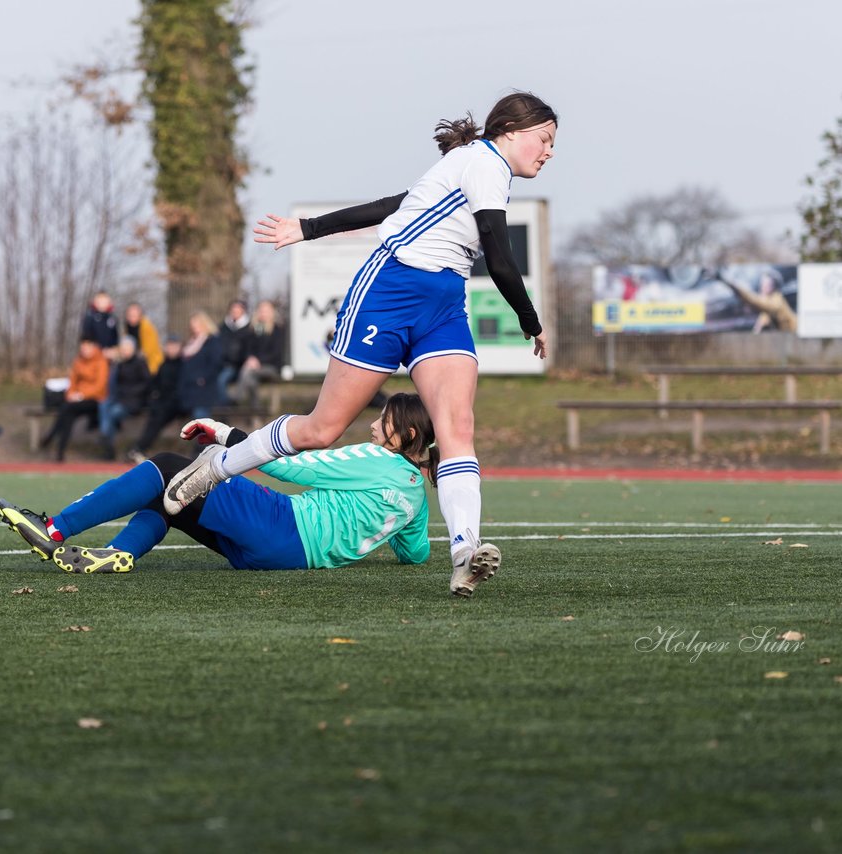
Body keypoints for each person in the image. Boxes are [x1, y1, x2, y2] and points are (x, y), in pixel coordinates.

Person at [163, 90, 555, 596]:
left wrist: (308, 227)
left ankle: (464, 552)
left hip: (442, 304)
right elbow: (499, 257)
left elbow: (394, 204)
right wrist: (530, 320)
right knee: (320, 430)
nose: (548, 152)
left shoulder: (474, 166)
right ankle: (215, 468)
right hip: (389, 291)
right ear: (510, 131)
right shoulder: (484, 163)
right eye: (543, 139)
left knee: (457, 426)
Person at [0, 392, 435, 574]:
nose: (376, 427)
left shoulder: (376, 458)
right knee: (178, 497)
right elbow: (416, 554)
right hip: (283, 558)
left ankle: (54, 529)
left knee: (168, 466)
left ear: (407, 436)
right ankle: (120, 555)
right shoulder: (415, 495)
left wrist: (224, 434)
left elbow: (289, 465)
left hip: (284, 525)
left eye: (385, 421)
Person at [39, 339, 109, 462]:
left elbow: (100, 387)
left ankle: (51, 436)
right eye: (82, 348)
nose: (84, 350)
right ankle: (60, 454)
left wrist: (81, 395)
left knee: (66, 408)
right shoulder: (78, 361)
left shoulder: (101, 361)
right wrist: (71, 394)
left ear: (93, 347)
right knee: (68, 413)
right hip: (76, 401)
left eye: (87, 347)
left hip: (95, 400)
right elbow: (72, 382)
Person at [127, 334, 186, 462]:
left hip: (176, 404)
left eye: (174, 346)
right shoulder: (164, 364)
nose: (171, 349)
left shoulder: (183, 365)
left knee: (157, 418)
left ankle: (139, 448)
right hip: (162, 403)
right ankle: (138, 449)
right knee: (154, 417)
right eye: (169, 346)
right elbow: (155, 383)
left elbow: (180, 389)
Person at [98, 336, 151, 460]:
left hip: (134, 402)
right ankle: (105, 434)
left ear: (133, 349)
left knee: (113, 412)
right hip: (119, 399)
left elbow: (146, 384)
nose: (125, 351)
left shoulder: (140, 363)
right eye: (123, 348)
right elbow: (114, 385)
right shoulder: (119, 365)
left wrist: (130, 392)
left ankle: (107, 442)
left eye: (127, 348)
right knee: (103, 405)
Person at [231, 299, 287, 408]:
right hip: (253, 367)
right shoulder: (253, 329)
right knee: (251, 379)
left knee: (248, 371)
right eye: (261, 310)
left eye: (266, 310)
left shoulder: (277, 330)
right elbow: (247, 349)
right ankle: (256, 412)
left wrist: (258, 361)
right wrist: (250, 359)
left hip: (271, 366)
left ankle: (238, 396)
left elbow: (276, 353)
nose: (263, 313)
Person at [716, 268, 798, 333]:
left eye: (767, 285)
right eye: (762, 284)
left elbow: (754, 300)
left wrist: (729, 282)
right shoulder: (769, 304)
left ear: (774, 287)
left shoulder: (776, 302)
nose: (763, 288)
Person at [215, 299, 254, 404]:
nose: (235, 312)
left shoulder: (250, 328)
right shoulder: (223, 327)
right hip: (225, 364)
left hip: (239, 365)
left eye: (238, 309)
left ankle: (226, 408)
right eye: (233, 309)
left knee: (221, 380)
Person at [124, 302, 164, 375]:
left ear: (140, 315)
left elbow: (147, 351)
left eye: (134, 315)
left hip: (151, 366)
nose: (132, 317)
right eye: (130, 315)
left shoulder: (147, 327)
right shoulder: (127, 328)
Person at [81, 291, 120, 358]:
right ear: (95, 301)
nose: (102, 302)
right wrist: (96, 350)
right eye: (100, 299)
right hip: (93, 355)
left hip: (109, 355)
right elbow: (86, 338)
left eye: (104, 300)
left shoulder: (113, 318)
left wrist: (113, 351)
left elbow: (115, 339)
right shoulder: (89, 317)